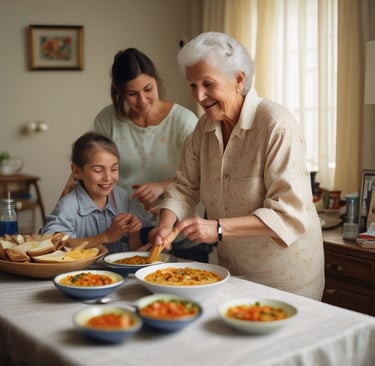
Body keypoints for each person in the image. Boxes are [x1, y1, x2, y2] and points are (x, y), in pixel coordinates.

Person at [149, 32, 325, 300]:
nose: (199, 95)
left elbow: (288, 212)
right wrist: (165, 223)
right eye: (192, 85)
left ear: (238, 80)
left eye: (208, 84)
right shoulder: (203, 129)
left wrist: (217, 228)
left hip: (284, 279)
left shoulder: (276, 125)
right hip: (230, 272)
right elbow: (184, 188)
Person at [93, 47, 211, 262]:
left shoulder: (184, 121)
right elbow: (93, 169)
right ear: (118, 92)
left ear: (157, 81)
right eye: (132, 94)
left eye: (148, 89)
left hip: (182, 230)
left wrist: (162, 186)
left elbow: (203, 173)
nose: (142, 100)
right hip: (128, 230)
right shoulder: (107, 120)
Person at [41, 131, 142, 253]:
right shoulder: (68, 205)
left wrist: (134, 234)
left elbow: (135, 251)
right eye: (98, 170)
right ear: (77, 171)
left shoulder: (122, 197)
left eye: (114, 169)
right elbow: (52, 242)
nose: (108, 177)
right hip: (83, 272)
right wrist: (105, 237)